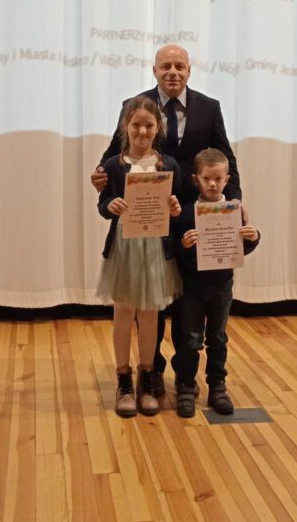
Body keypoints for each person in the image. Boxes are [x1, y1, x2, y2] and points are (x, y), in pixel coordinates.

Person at [91, 44, 242, 393]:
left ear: (189, 70)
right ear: (155, 70)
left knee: (184, 298)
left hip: (188, 217)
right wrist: (101, 177)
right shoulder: (136, 105)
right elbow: (114, 154)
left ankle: (184, 375)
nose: (172, 72)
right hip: (143, 221)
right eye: (165, 66)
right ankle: (152, 370)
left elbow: (226, 159)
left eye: (179, 66)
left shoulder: (209, 107)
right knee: (149, 300)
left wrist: (234, 201)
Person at [96, 96, 182, 417]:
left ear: (158, 127)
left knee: (150, 314)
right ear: (125, 126)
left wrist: (175, 209)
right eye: (136, 125)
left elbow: (178, 205)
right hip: (125, 247)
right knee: (123, 313)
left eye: (149, 125)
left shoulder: (168, 165)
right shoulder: (113, 165)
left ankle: (147, 377)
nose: (142, 131)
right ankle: (123, 380)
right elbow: (103, 204)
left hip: (156, 247)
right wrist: (110, 205)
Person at [172, 148, 260, 418]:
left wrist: (253, 238)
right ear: (195, 179)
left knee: (218, 338)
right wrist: (183, 244)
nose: (212, 184)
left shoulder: (234, 211)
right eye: (207, 178)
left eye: (218, 179)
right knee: (190, 339)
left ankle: (217, 387)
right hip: (193, 286)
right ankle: (186, 386)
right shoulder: (188, 213)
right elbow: (175, 249)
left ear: (227, 179)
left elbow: (239, 249)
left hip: (222, 286)